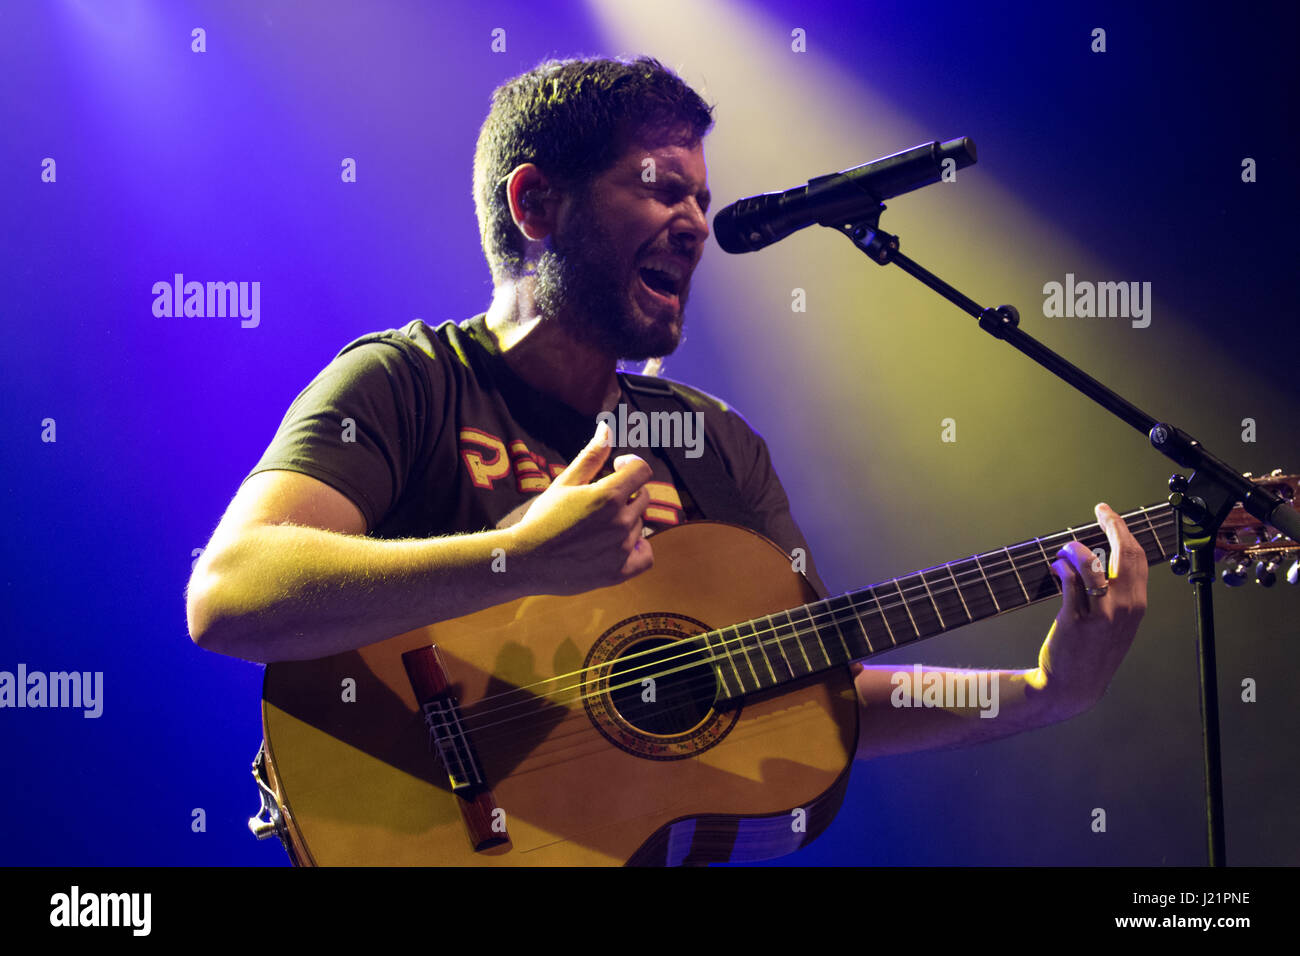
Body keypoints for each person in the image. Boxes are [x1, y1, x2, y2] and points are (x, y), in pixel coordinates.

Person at [185, 55, 1147, 766]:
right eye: (660, 190)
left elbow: (809, 683)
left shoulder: (714, 445)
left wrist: (1038, 692)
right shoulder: (407, 382)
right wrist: (515, 557)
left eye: (703, 197)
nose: (696, 226)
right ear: (536, 205)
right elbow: (229, 599)